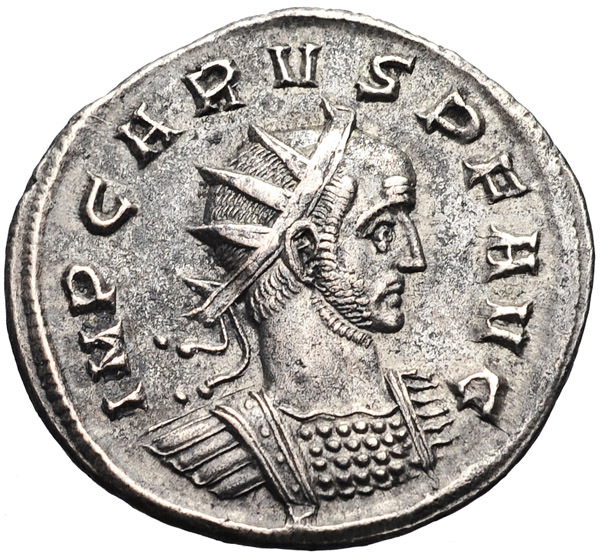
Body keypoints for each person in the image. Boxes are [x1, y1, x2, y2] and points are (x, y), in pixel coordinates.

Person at [144, 101, 453, 521]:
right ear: (304, 253)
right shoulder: (209, 455)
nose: (414, 259)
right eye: (383, 232)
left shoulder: (436, 413)